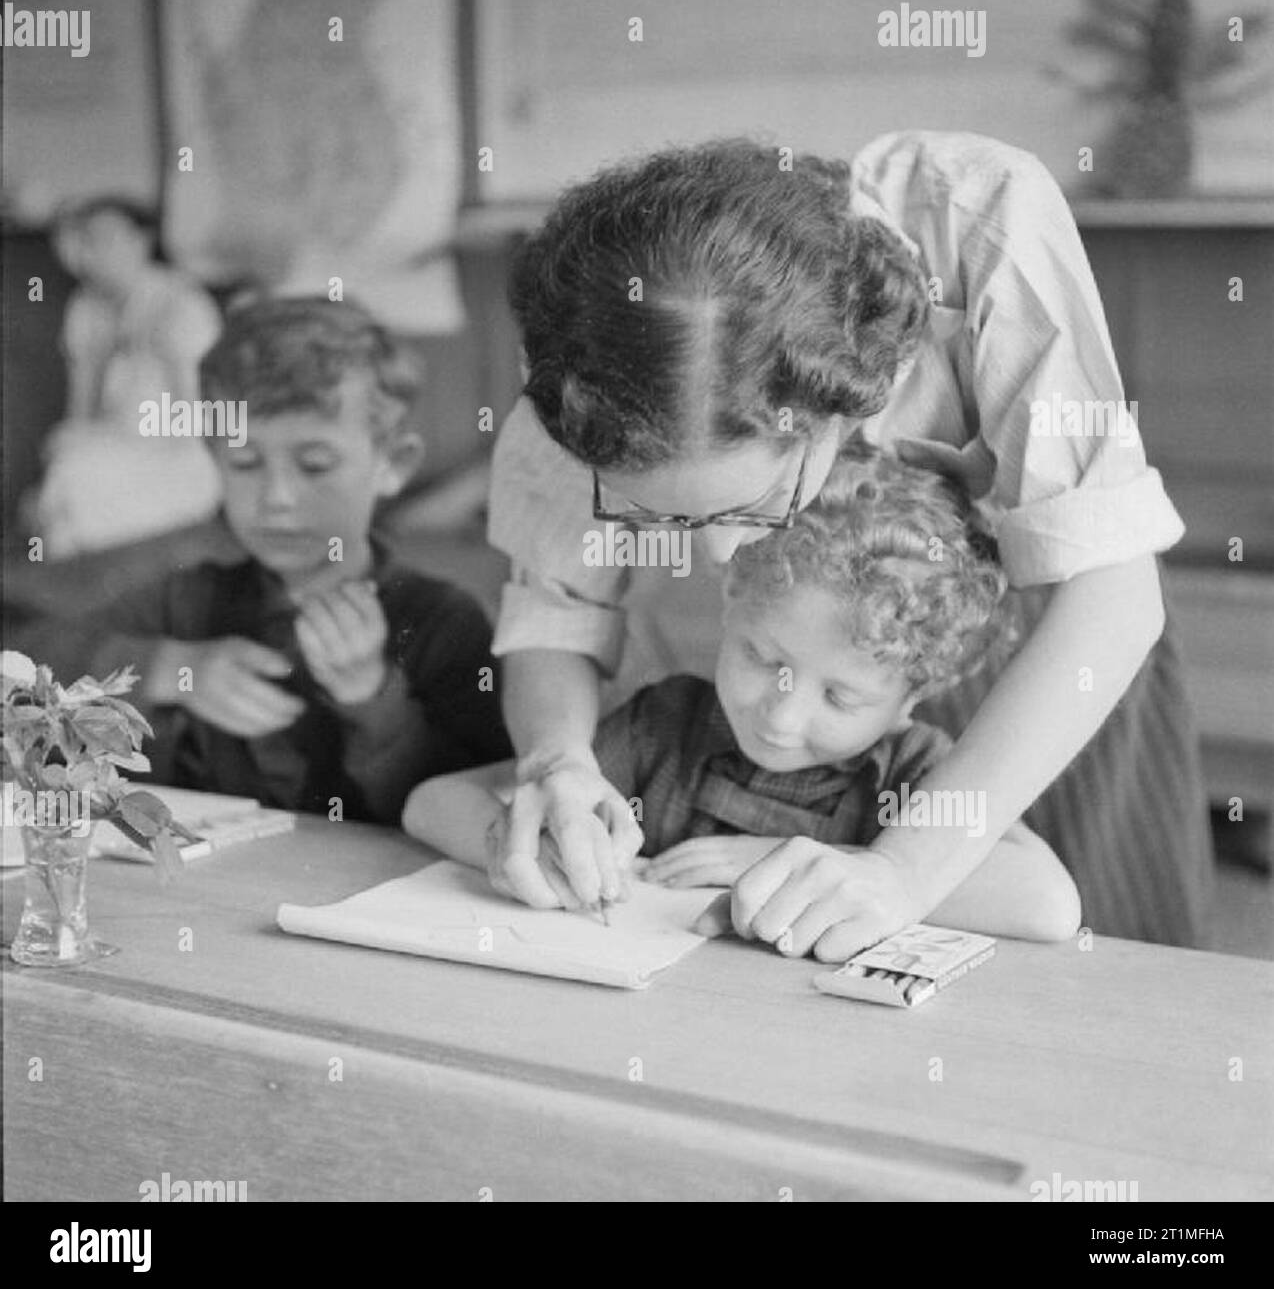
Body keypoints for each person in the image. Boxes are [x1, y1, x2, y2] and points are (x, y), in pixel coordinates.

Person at [482, 131, 1213, 949]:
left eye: (755, 503)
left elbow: (1111, 599)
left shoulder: (977, 216)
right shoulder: (588, 356)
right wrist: (559, 764)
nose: (723, 559)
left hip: (1051, 658)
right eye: (655, 518)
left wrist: (904, 870)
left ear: (841, 399)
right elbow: (554, 609)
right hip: (793, 645)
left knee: (1100, 967)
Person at [405, 439, 1082, 953]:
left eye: (841, 698)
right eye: (762, 657)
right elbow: (431, 805)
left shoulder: (910, 775)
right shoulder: (664, 729)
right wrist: (532, 849)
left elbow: (1047, 904)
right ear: (731, 600)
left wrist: (784, 859)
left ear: (915, 694)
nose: (781, 716)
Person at [15, 297, 512, 824]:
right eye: (245, 462)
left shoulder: (443, 620)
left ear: (392, 464)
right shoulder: (187, 602)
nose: (276, 496)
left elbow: (472, 807)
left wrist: (375, 697)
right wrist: (173, 668)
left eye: (314, 464)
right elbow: (22, 665)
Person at [30, 197, 225, 555]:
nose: (92, 254)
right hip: (112, 446)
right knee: (68, 461)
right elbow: (81, 411)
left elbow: (196, 420)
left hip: (175, 453)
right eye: (85, 241)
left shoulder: (182, 303)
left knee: (75, 485)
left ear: (141, 241)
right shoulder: (86, 308)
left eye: (106, 239)